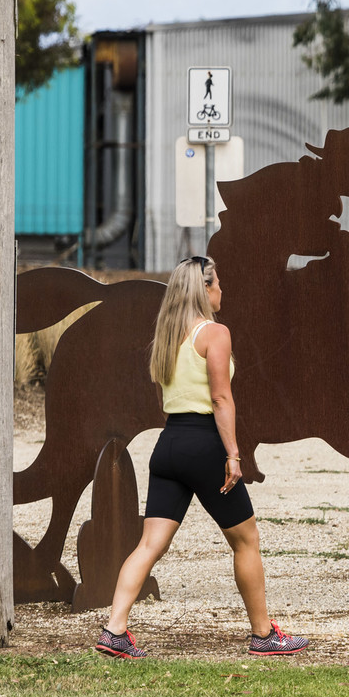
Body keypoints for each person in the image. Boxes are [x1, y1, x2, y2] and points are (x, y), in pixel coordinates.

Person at [95, 255, 307, 659]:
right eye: (218, 284)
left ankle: (115, 629)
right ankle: (264, 634)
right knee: (246, 541)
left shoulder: (167, 336)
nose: (222, 290)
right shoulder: (215, 333)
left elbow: (167, 397)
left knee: (149, 545)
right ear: (205, 289)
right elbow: (221, 397)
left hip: (170, 443)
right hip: (204, 444)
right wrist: (233, 455)